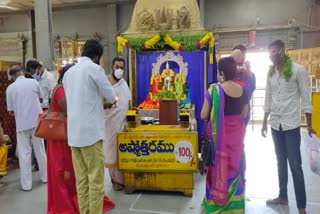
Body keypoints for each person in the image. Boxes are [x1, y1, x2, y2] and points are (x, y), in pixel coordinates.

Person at [47, 64, 115, 214]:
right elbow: (70, 110)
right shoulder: (60, 90)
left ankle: (79, 206)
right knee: (66, 174)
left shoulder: (66, 89)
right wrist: (97, 104)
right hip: (62, 137)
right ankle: (65, 205)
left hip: (71, 135)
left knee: (79, 176)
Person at [262, 40, 315, 214]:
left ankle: (301, 207)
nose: (272, 56)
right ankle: (283, 196)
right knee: (280, 162)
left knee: (295, 165)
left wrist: (309, 125)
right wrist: (264, 121)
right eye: (270, 54)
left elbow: (306, 99)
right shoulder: (270, 73)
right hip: (275, 125)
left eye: (275, 52)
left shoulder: (298, 70)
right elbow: (268, 98)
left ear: (283, 51)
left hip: (291, 125)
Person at [63, 39, 116, 214]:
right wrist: (106, 102)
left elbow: (78, 100)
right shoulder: (95, 69)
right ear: (96, 56)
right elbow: (110, 94)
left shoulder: (69, 73)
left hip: (74, 136)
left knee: (82, 181)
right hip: (91, 135)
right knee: (96, 181)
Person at [201, 57, 249, 213]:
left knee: (216, 169)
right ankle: (233, 205)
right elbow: (244, 113)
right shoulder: (243, 90)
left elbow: (203, 115)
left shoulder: (215, 90)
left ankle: (215, 204)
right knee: (234, 169)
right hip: (236, 137)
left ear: (221, 72)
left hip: (217, 137)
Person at [6, 65, 47, 191]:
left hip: (22, 124)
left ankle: (26, 185)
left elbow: (11, 111)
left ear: (12, 76)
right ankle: (45, 177)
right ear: (23, 72)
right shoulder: (33, 82)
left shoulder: (10, 88)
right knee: (40, 150)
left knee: (24, 154)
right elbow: (41, 99)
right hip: (36, 121)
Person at [103, 57, 131, 191]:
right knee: (112, 151)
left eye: (122, 68)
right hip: (110, 123)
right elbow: (99, 103)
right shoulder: (106, 82)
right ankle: (116, 181)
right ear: (112, 67)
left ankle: (124, 179)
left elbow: (127, 100)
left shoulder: (123, 82)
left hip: (123, 123)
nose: (119, 70)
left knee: (123, 151)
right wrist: (107, 105)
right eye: (117, 67)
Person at [231, 45, 256, 183]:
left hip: (241, 114)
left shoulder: (249, 76)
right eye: (233, 59)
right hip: (228, 115)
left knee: (239, 144)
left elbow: (247, 92)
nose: (236, 62)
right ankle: (231, 173)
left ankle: (240, 175)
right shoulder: (228, 74)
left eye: (238, 59)